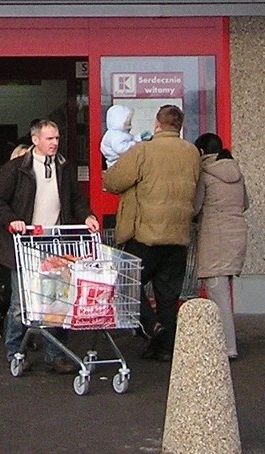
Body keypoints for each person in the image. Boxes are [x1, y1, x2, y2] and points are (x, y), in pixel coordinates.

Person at [0, 120, 99, 374]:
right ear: (35, 140)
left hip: (55, 241)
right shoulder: (16, 168)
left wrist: (87, 216)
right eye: (49, 138)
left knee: (55, 301)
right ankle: (14, 351)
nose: (55, 143)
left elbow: (75, 200)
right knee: (20, 303)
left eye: (57, 138)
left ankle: (54, 355)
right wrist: (12, 220)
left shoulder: (63, 167)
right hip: (24, 243)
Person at [103, 104, 201, 362]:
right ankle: (165, 349)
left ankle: (150, 325)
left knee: (125, 282)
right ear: (179, 127)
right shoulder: (192, 153)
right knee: (168, 296)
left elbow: (113, 182)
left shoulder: (143, 150)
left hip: (145, 234)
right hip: (178, 236)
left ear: (157, 124)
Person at [193, 132, 249, 360]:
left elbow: (195, 208)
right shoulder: (236, 172)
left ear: (203, 152)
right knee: (223, 290)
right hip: (237, 234)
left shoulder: (205, 175)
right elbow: (245, 203)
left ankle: (228, 347)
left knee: (218, 294)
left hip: (215, 236)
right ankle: (221, 341)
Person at [0, 143, 30, 338]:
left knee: (28, 292)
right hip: (7, 245)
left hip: (27, 244)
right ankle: (2, 319)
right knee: (13, 291)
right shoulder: (2, 183)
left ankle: (23, 332)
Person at [100, 104, 151, 169]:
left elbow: (128, 141)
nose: (130, 126)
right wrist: (135, 143)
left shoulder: (118, 134)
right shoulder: (116, 136)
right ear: (119, 121)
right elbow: (121, 149)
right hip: (118, 165)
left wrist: (139, 137)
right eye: (128, 123)